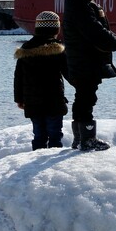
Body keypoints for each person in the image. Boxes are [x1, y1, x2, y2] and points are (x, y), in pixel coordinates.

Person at [62, 0, 116, 152]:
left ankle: (80, 138)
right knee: (86, 98)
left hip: (82, 59)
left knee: (84, 97)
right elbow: (93, 30)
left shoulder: (79, 4)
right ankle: (87, 139)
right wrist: (114, 41)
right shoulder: (80, 6)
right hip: (84, 60)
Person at [14, 11, 69, 150]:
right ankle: (51, 164)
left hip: (32, 102)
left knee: (39, 135)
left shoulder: (25, 50)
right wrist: (83, 84)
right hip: (54, 100)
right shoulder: (58, 50)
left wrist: (19, 99)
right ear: (56, 29)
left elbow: (18, 77)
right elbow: (69, 73)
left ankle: (37, 161)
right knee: (55, 135)